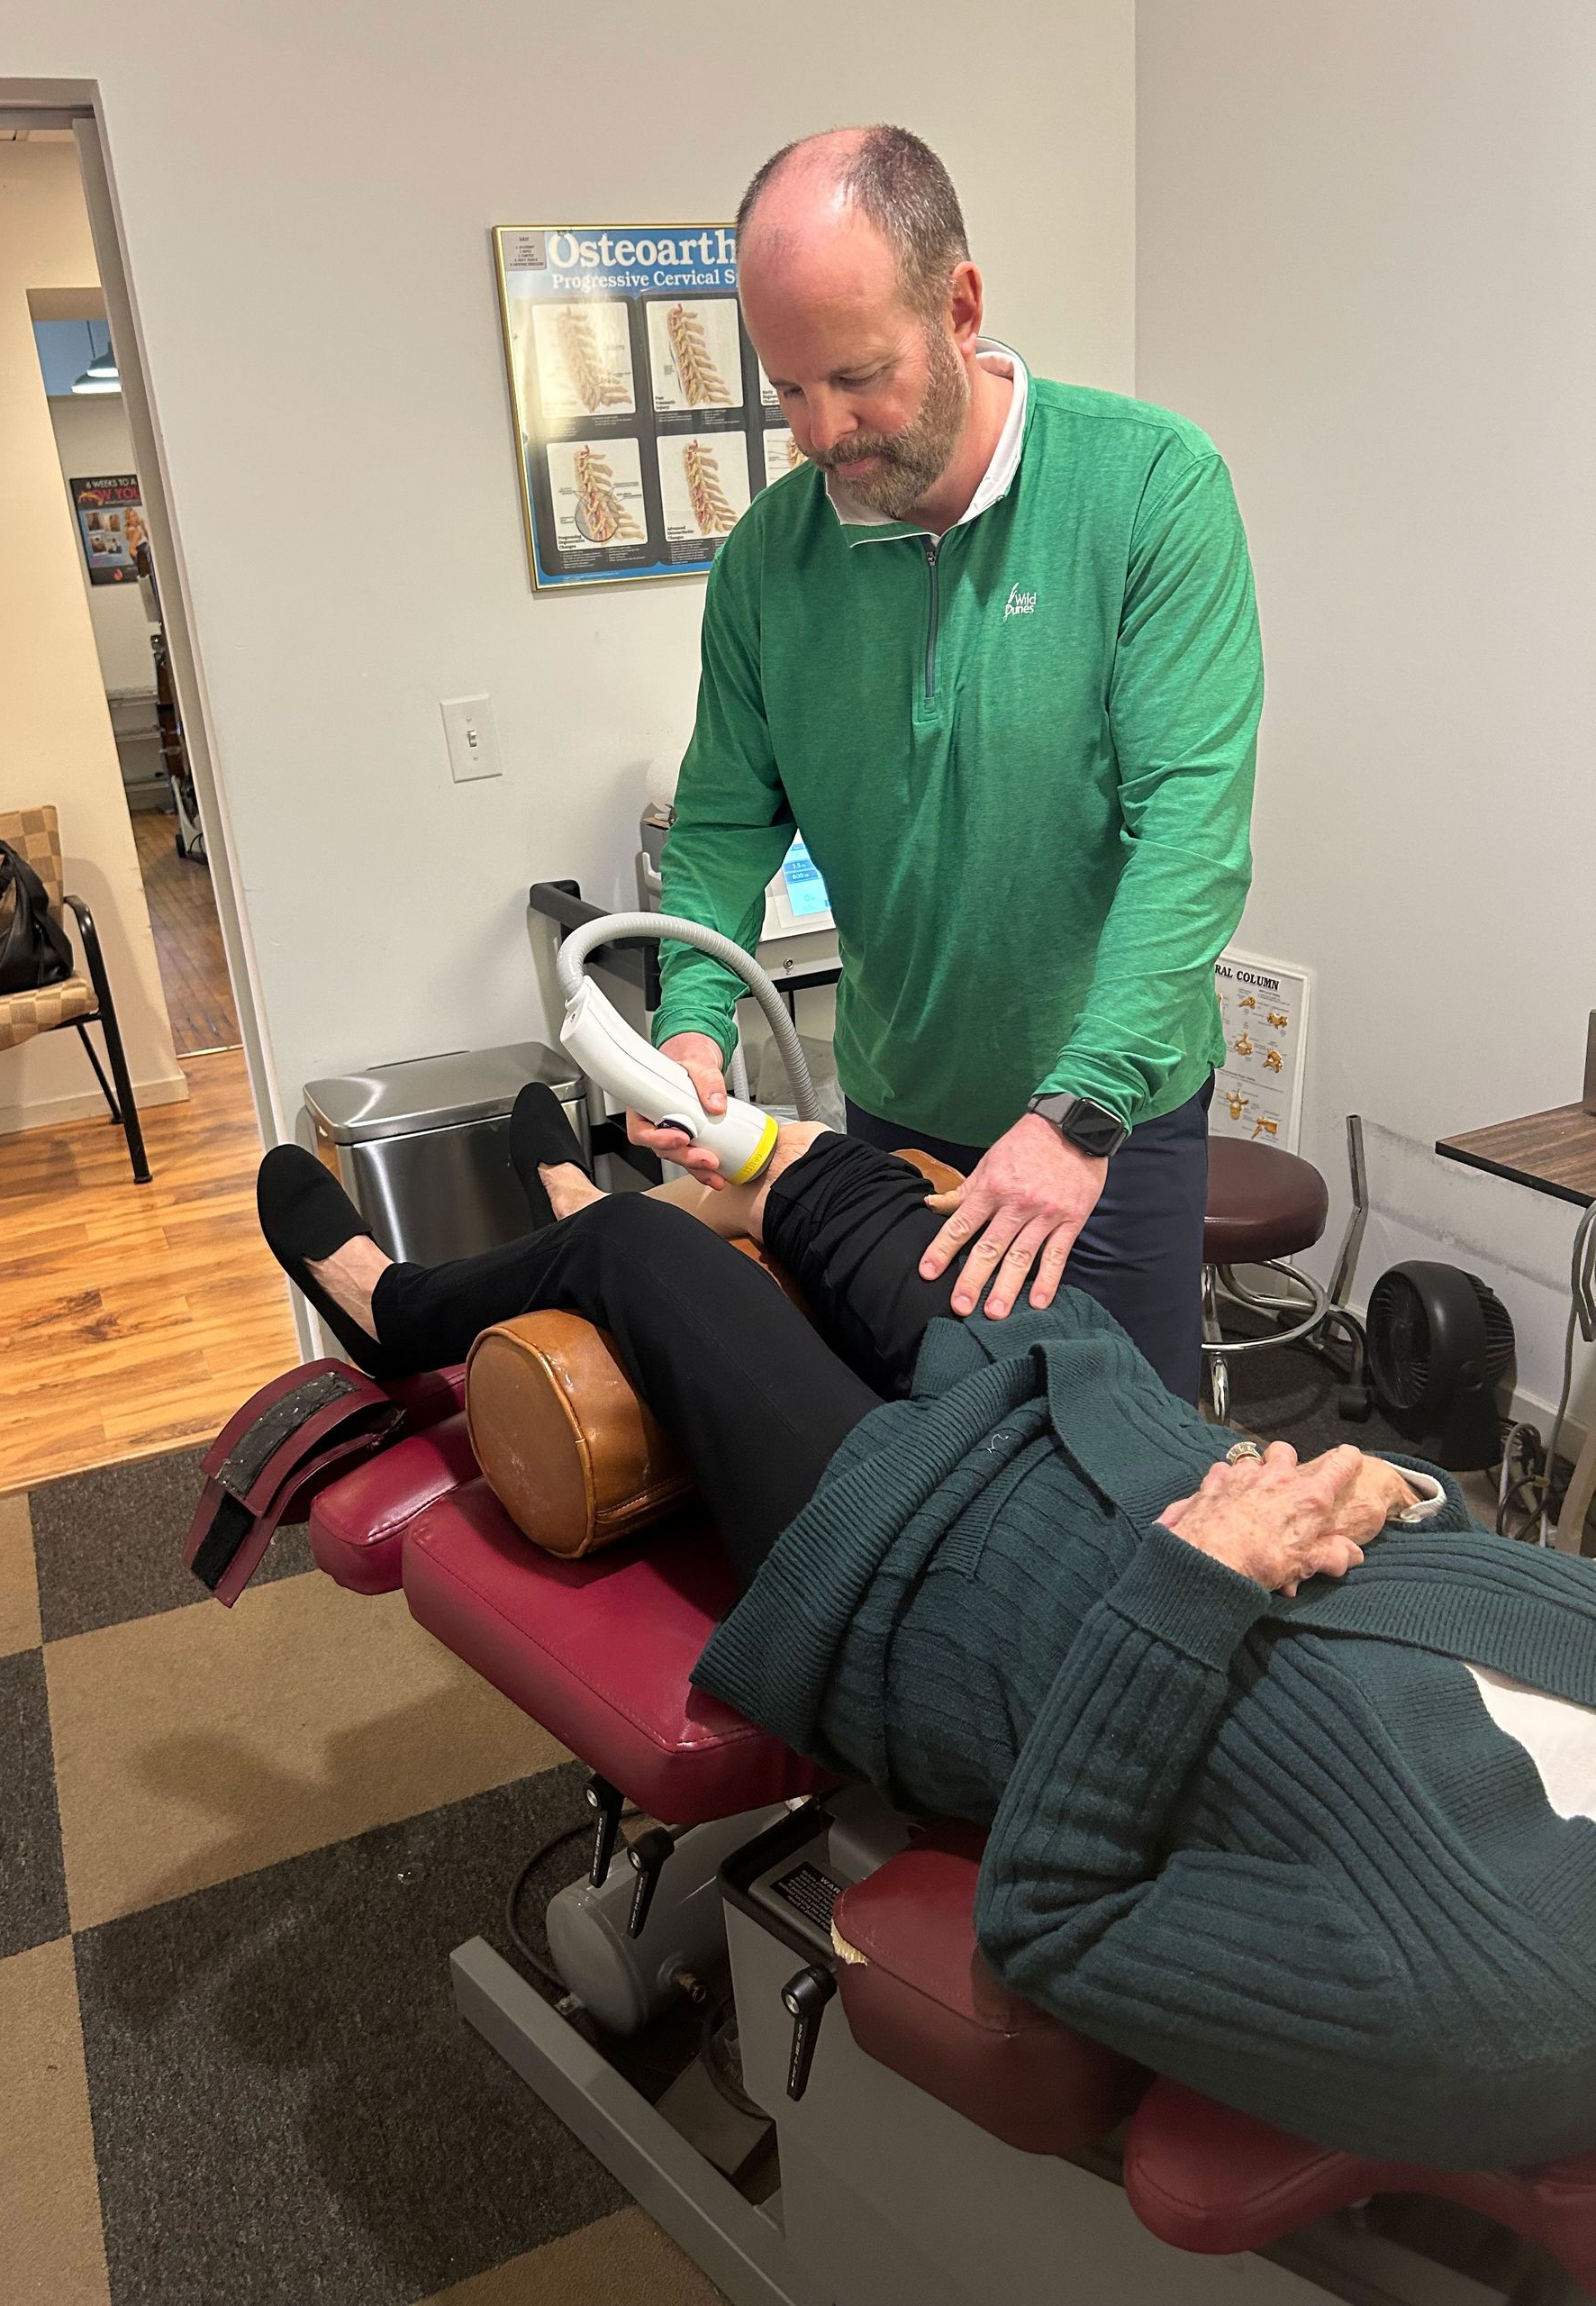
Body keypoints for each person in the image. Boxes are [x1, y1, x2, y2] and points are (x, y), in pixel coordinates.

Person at [258, 1087, 1596, 2174]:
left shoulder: (1503, 2004)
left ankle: (402, 1305)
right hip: (1113, 1430)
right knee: (845, 1181)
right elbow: (1465, 1611)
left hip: (928, 1576)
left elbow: (1053, 1922)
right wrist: (1400, 1494)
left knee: (639, 1253)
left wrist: (1197, 1581)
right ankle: (573, 1214)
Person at [634, 124, 1264, 1405]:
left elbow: (1190, 828)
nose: (820, 434)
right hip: (899, 1109)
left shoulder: (1149, 488)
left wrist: (1079, 1113)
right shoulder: (769, 560)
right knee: (930, 1466)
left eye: (856, 378)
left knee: (1122, 1485)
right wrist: (689, 1031)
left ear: (960, 307)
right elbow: (717, 826)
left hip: (1112, 1122)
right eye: (789, 390)